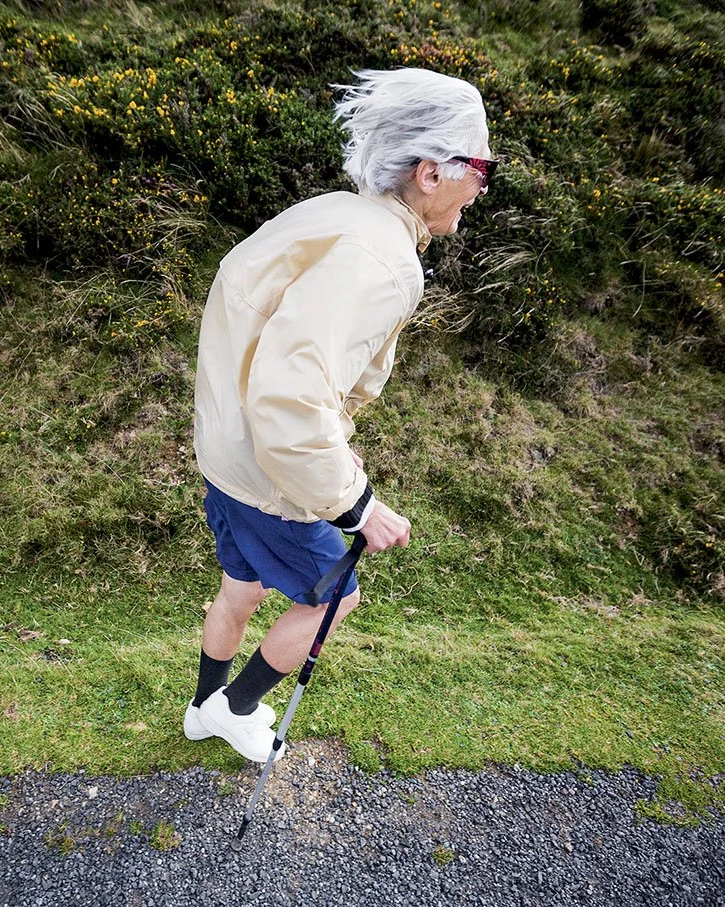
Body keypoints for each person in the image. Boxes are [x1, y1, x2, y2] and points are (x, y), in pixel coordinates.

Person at [183, 68, 497, 763]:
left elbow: (283, 358)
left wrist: (331, 443)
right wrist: (356, 504)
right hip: (267, 468)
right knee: (335, 597)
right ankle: (236, 708)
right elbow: (291, 394)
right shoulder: (382, 259)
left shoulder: (337, 214)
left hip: (228, 449)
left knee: (241, 585)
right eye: (480, 168)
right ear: (429, 172)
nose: (482, 186)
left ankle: (202, 707)